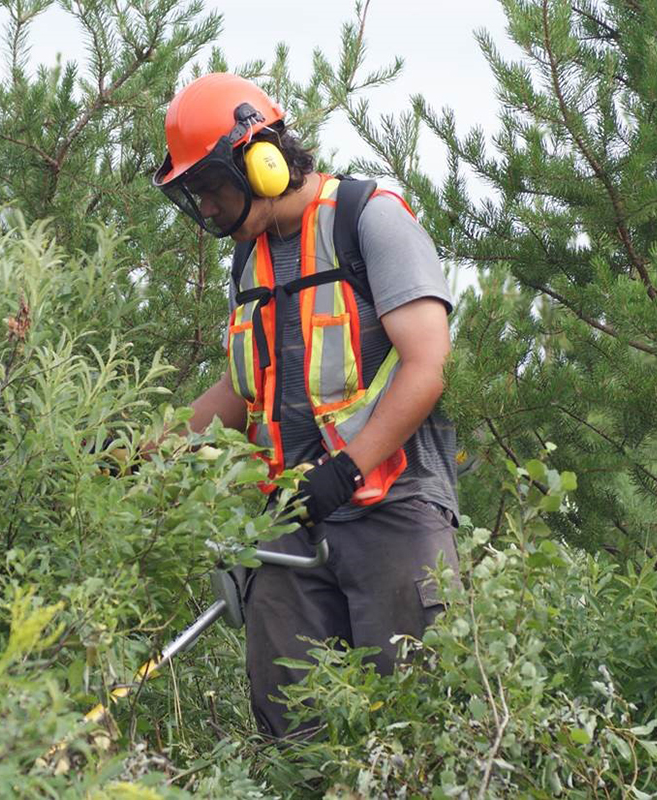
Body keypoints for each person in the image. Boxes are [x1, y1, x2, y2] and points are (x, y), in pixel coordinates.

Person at [152, 72, 461, 740]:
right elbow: (242, 389)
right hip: (291, 519)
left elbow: (427, 363)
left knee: (417, 726)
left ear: (260, 158)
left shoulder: (369, 218)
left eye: (210, 186)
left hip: (394, 510)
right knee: (293, 732)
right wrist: (147, 449)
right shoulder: (249, 262)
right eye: (193, 194)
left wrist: (347, 469)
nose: (205, 207)